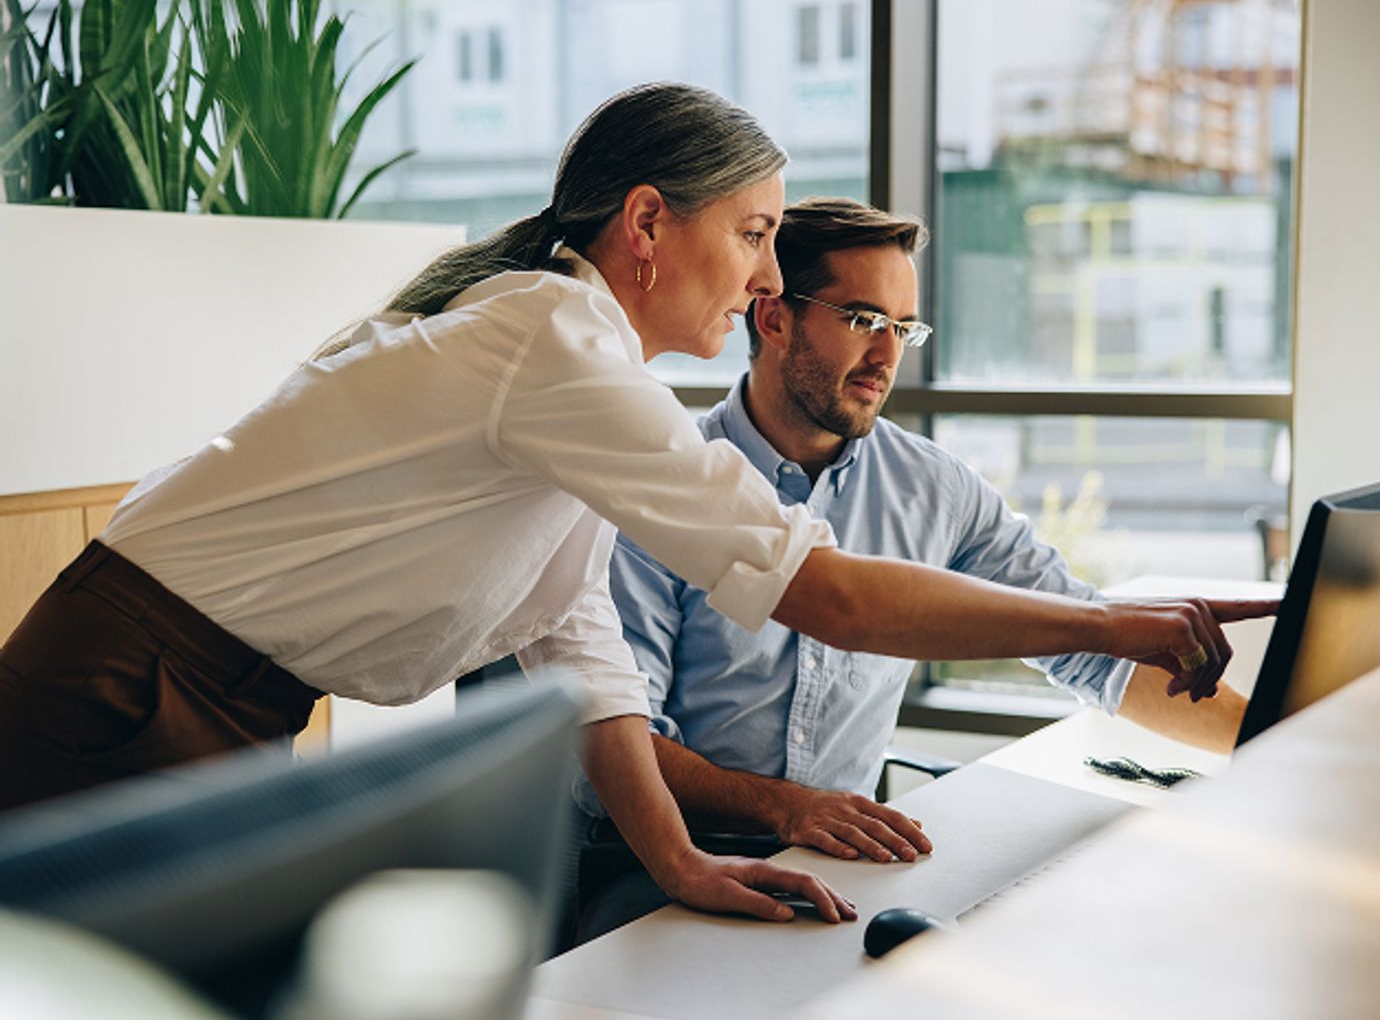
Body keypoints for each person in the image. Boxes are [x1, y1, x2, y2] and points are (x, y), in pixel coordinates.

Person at [0, 85, 1270, 927]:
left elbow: (578, 646)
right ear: (650, 224)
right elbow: (821, 589)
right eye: (757, 233)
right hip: (134, 681)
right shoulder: (553, 342)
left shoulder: (578, 376)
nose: (770, 274)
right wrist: (1113, 626)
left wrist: (682, 862)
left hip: (210, 690)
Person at [572, 197, 1262, 936]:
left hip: (843, 862)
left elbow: (1093, 650)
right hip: (662, 863)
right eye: (865, 320)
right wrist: (789, 805)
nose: (888, 356)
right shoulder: (663, 481)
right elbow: (618, 737)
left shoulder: (932, 488)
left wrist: (1270, 748)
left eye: (904, 328)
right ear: (773, 317)